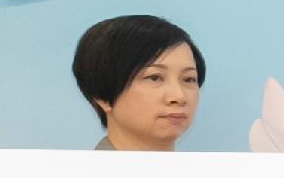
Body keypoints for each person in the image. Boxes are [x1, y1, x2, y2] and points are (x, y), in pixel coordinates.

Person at [73, 15, 202, 151]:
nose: (179, 96)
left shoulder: (212, 172)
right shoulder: (75, 172)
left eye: (189, 79)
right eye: (154, 77)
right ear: (102, 96)